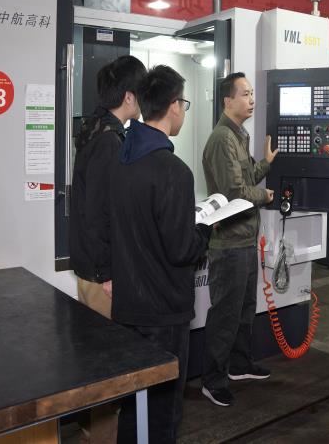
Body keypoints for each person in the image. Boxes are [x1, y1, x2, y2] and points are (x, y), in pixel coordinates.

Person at [109, 65, 212, 443]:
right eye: (184, 103)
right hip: (164, 313)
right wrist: (204, 230)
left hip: (127, 307)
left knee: (132, 408)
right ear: (173, 105)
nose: (184, 110)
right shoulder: (174, 171)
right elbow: (182, 248)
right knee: (163, 412)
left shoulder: (121, 159)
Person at [200, 72, 278, 407]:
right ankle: (213, 380)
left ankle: (239, 364)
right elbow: (235, 192)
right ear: (227, 100)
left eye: (252, 93)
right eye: (245, 94)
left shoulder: (238, 136)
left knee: (245, 309)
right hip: (229, 245)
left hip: (245, 240)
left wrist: (266, 164)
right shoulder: (222, 139)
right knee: (225, 316)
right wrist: (265, 195)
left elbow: (244, 179)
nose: (252, 99)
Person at [69, 55, 146, 319]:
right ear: (129, 97)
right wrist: (107, 273)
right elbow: (98, 212)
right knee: (105, 341)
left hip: (91, 266)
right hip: (100, 274)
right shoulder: (108, 141)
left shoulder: (96, 128)